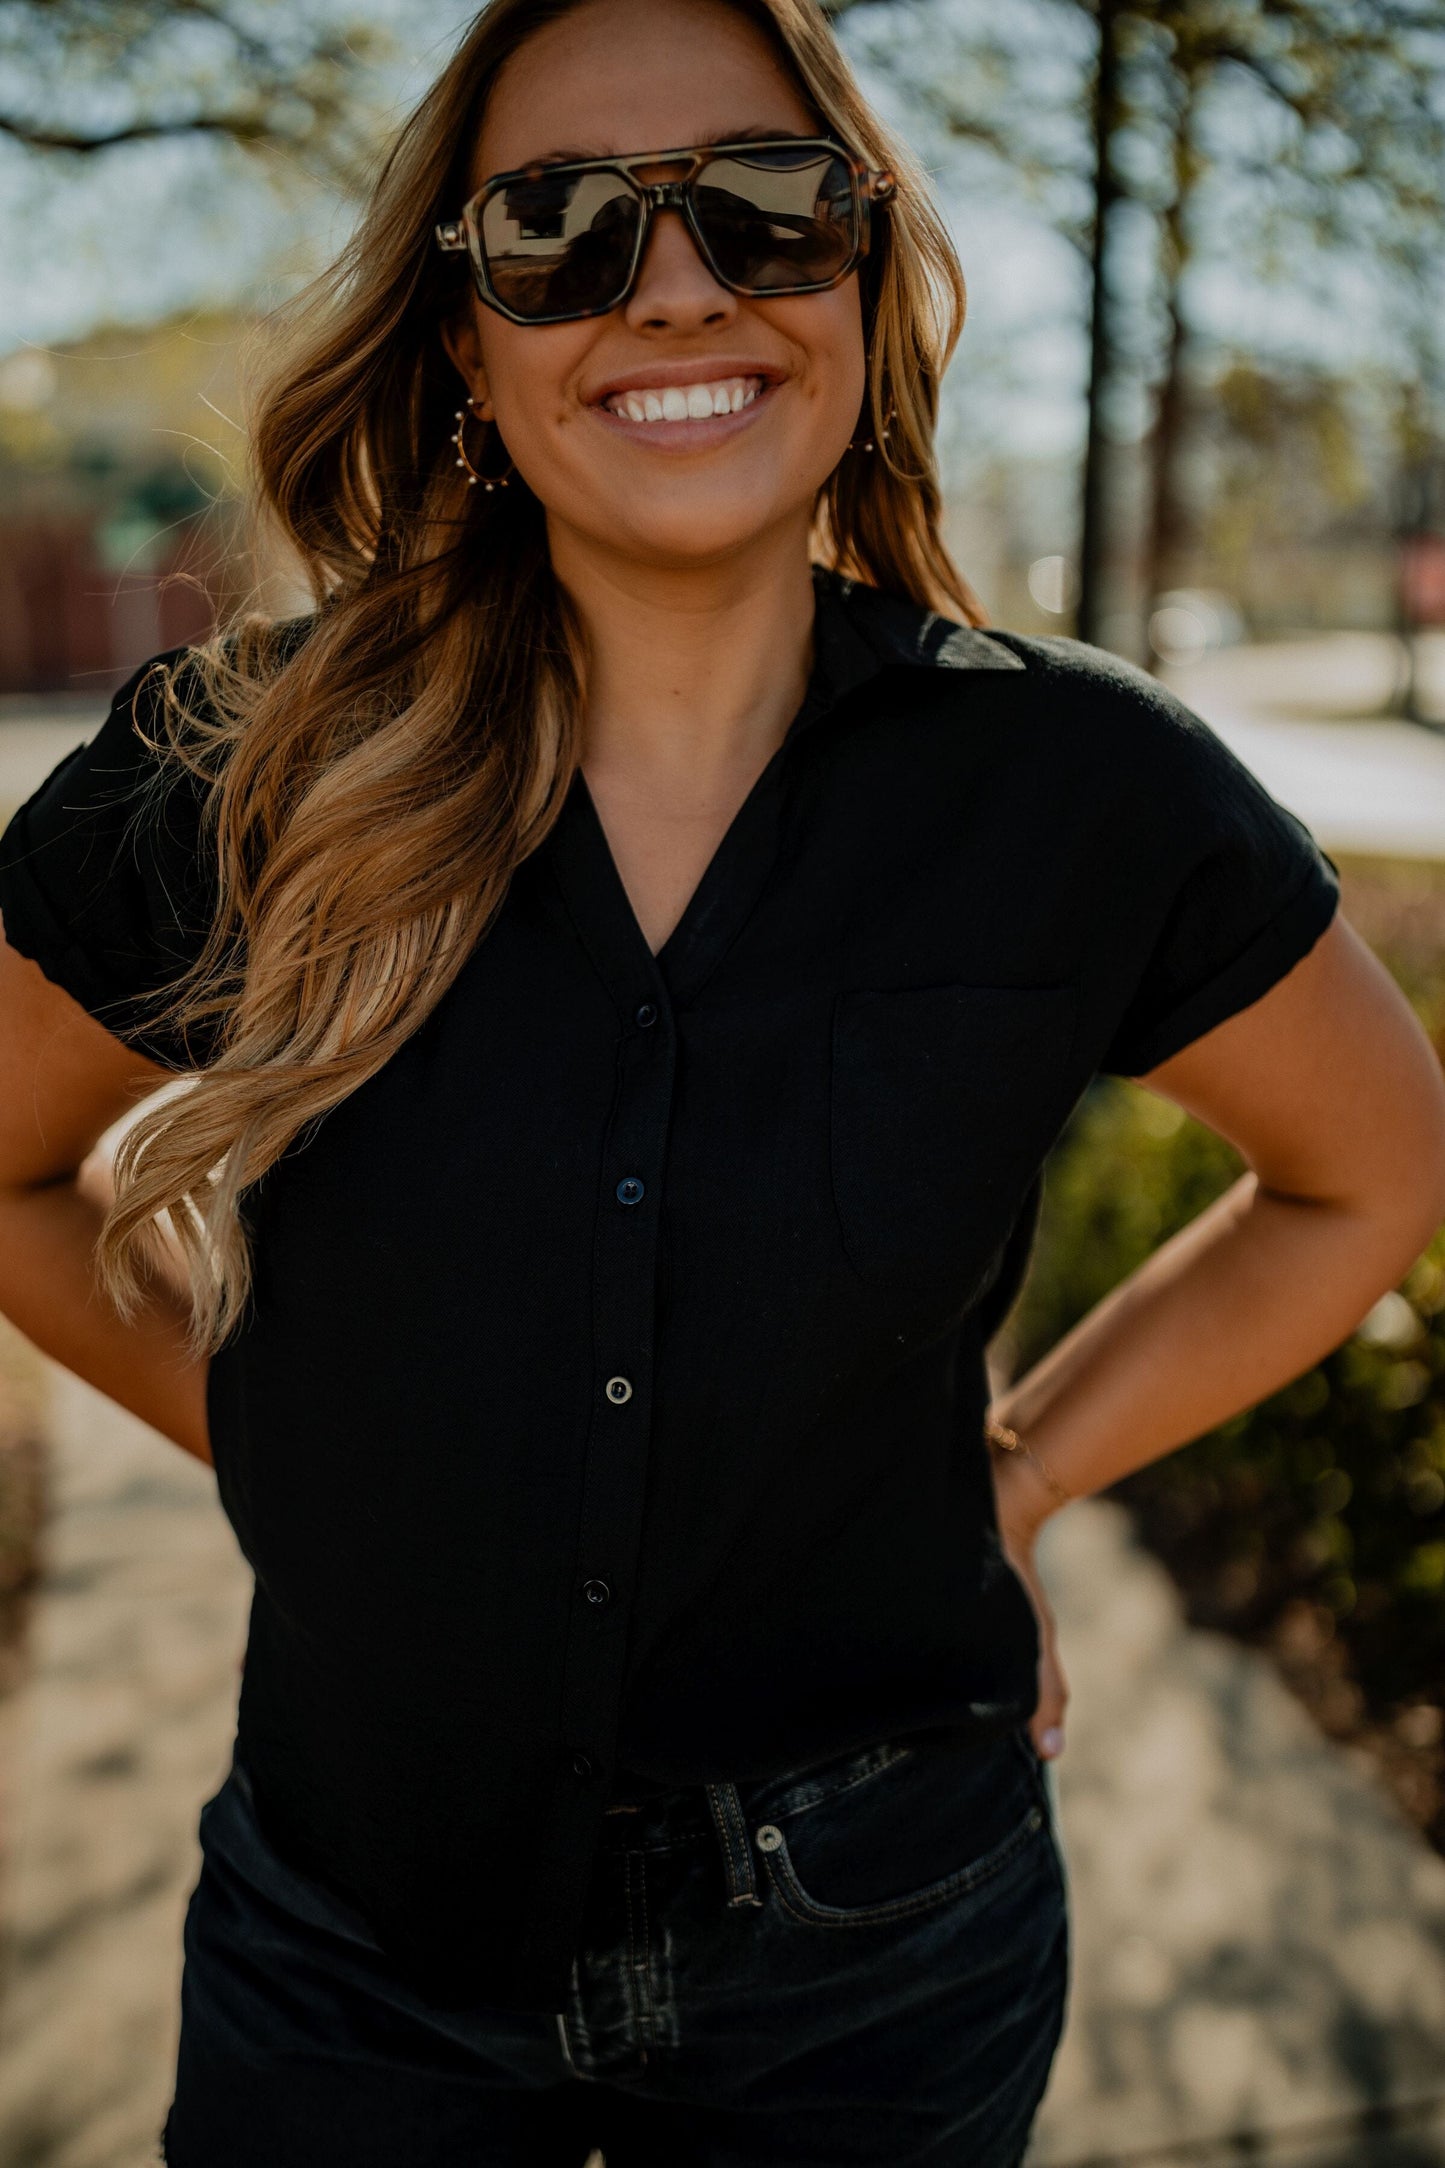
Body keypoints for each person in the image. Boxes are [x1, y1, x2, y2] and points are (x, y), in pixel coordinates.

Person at [1, 0, 1442, 2160]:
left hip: (889, 1945)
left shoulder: (1082, 791)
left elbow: (1371, 1172)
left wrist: (1027, 1474)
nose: (674, 283)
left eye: (767, 207)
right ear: (468, 340)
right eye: (560, 225)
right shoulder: (242, 769)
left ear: (861, 280)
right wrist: (301, 1443)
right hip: (351, 1935)